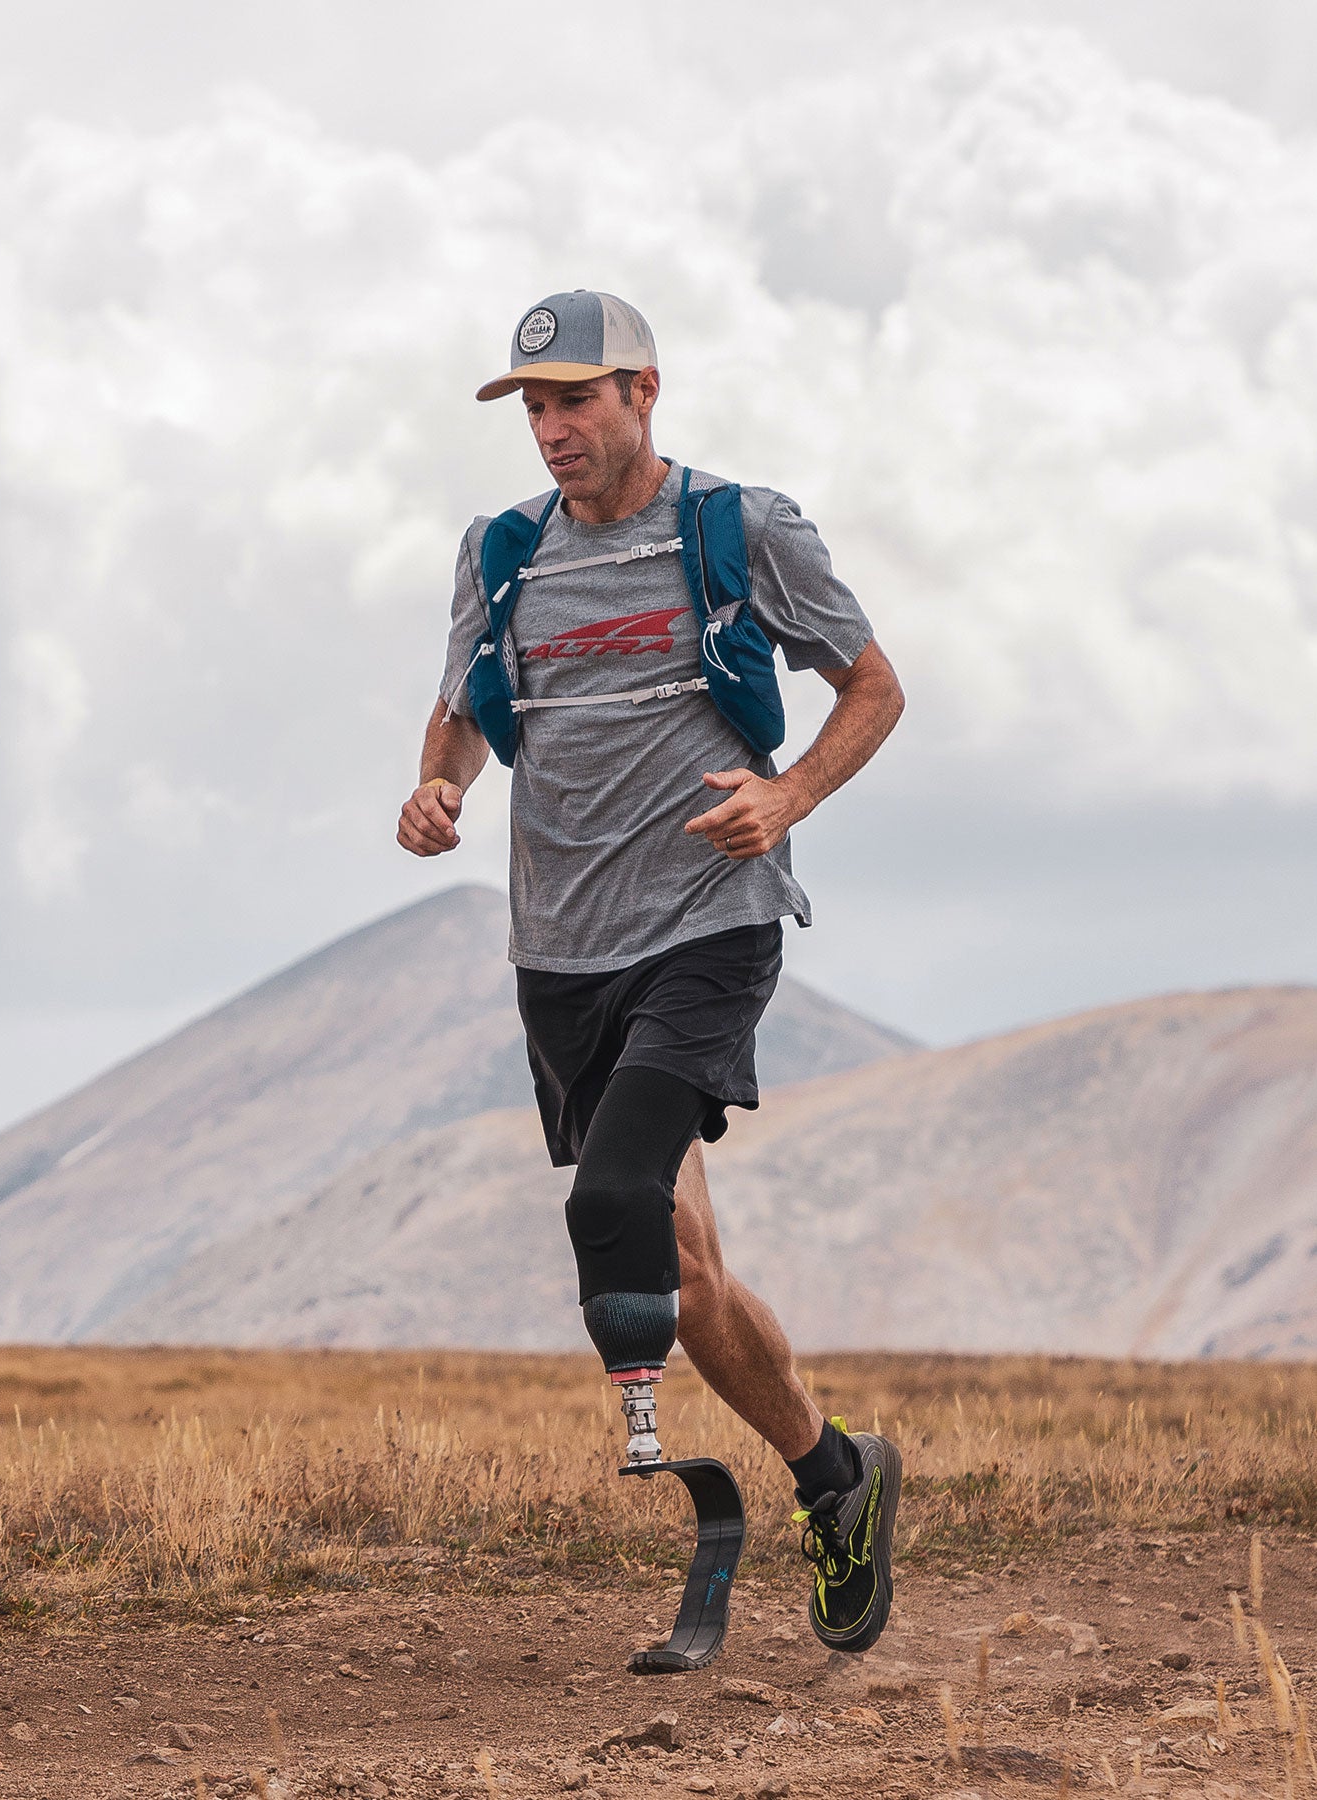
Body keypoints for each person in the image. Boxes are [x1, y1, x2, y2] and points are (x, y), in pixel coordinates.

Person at [397, 290, 908, 1654]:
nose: (554, 431)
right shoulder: (501, 555)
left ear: (645, 392)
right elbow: (464, 711)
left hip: (705, 923)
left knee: (616, 1198)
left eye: (578, 400)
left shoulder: (741, 530)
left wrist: (788, 796)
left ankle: (743, 1469)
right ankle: (834, 1477)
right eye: (534, 408)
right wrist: (435, 788)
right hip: (560, 953)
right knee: (682, 1275)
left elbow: (874, 687)